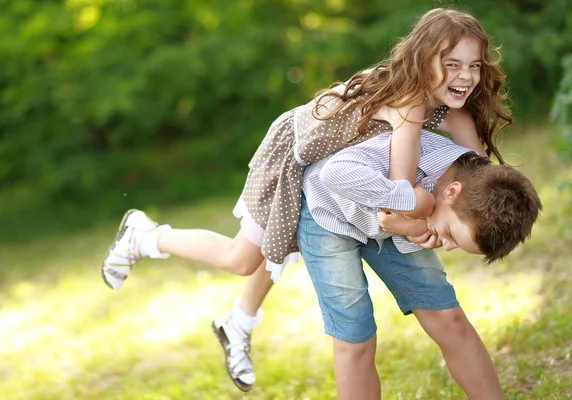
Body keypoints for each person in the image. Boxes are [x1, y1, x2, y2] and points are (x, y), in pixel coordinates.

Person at [101, 7, 511, 392]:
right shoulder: (408, 103)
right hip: (298, 155)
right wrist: (413, 222)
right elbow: (398, 199)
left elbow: (480, 179)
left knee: (265, 255)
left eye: (474, 65)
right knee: (242, 258)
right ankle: (144, 236)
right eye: (452, 64)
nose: (467, 76)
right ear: (424, 61)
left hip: (350, 181)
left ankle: (237, 320)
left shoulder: (454, 109)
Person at [294, 129, 541, 399]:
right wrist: (408, 208)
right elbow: (334, 173)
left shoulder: (461, 194)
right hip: (326, 213)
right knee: (355, 334)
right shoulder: (416, 151)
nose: (444, 245)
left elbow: (400, 220)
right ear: (452, 192)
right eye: (449, 234)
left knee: (448, 318)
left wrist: (407, 222)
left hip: (394, 225)